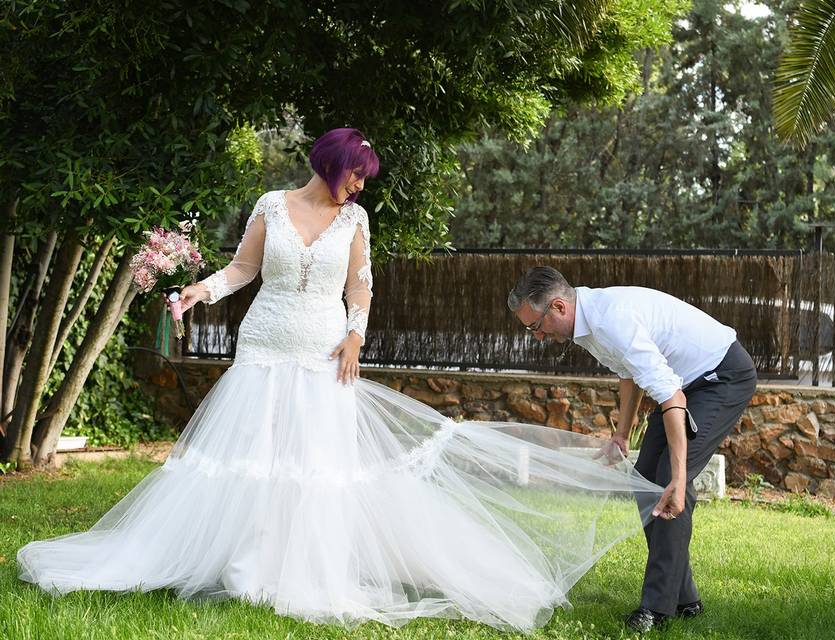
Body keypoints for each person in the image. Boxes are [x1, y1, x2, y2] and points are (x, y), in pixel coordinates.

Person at [18, 129, 663, 632]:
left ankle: (298, 567)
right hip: (265, 348)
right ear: (331, 164)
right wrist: (196, 292)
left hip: (326, 354)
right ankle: (242, 562)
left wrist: (356, 334)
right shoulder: (272, 206)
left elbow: (360, 294)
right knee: (254, 458)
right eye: (356, 174)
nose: (359, 186)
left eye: (363, 178)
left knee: (315, 464)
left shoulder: (356, 225)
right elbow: (241, 272)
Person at [508, 266, 758, 634]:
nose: (537, 336)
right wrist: (622, 435)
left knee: (668, 481)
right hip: (682, 383)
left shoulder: (611, 320)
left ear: (558, 307)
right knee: (645, 483)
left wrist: (679, 475)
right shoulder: (587, 325)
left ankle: (656, 609)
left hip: (720, 377)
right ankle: (685, 599)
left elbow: (673, 397)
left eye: (535, 326)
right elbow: (630, 372)